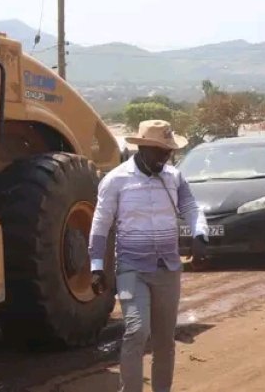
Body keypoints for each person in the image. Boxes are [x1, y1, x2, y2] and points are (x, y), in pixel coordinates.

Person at [87, 119, 209, 392]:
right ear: (143, 148)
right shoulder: (115, 180)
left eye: (169, 151)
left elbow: (191, 207)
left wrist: (200, 234)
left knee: (165, 340)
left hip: (168, 268)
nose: (167, 156)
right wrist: (96, 266)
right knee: (137, 330)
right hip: (132, 268)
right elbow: (100, 225)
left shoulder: (174, 178)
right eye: (161, 151)